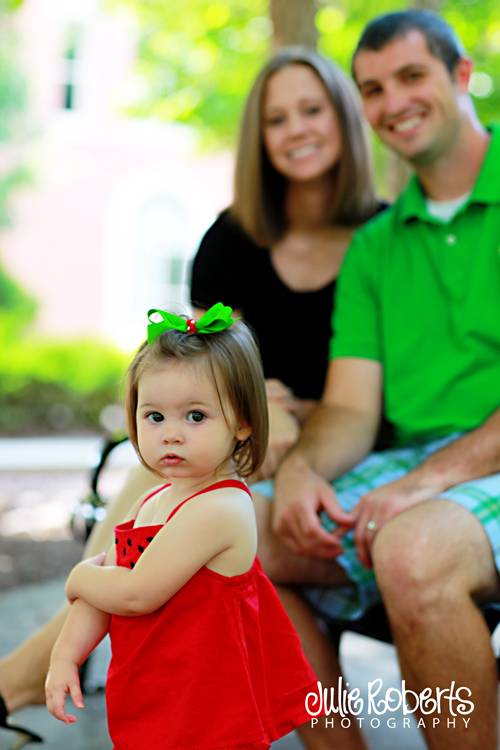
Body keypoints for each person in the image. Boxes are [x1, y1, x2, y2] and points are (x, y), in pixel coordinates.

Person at [0, 46, 383, 750]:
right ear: (258, 137)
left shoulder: (382, 239)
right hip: (237, 431)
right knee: (171, 456)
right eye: (276, 117)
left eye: (313, 109)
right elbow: (194, 371)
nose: (296, 128)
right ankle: (44, 663)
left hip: (334, 449)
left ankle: (25, 674)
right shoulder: (233, 237)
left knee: (182, 471)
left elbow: (370, 391)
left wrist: (282, 417)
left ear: (347, 120)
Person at [256, 10, 500, 750]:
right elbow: (353, 407)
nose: (393, 102)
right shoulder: (375, 246)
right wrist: (298, 472)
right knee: (230, 533)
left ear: (461, 76)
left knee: (410, 549)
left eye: (412, 76)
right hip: (421, 462)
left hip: (475, 463)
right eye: (373, 88)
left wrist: (423, 483)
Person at [45, 303, 322, 749]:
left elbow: (134, 593)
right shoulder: (153, 498)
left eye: (195, 416)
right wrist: (65, 656)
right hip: (155, 689)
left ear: (243, 423)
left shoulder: (222, 507)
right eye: (154, 416)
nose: (171, 433)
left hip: (207, 708)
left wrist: (79, 576)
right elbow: (108, 585)